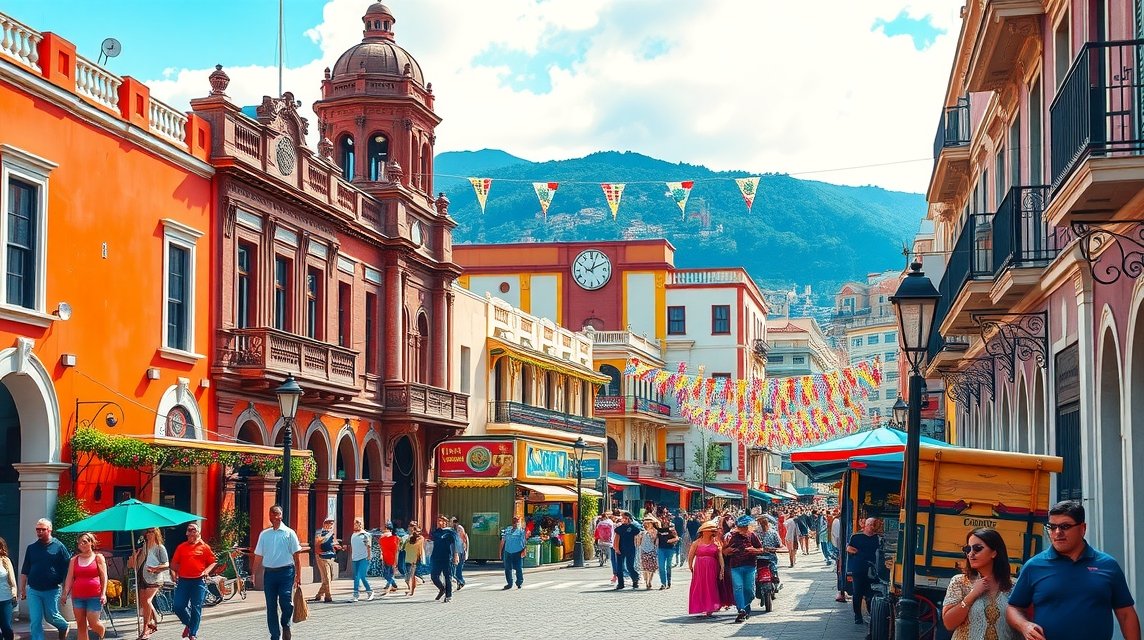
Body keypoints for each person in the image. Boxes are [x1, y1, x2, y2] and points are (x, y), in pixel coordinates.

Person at [1007, 500, 1140, 640]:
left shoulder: (1108, 565)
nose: (1057, 532)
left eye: (1065, 526)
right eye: (1052, 527)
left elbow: (1125, 614)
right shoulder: (1034, 566)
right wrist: (1024, 626)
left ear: (1083, 528)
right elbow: (1013, 608)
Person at [941, 527, 1017, 640]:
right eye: (967, 549)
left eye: (977, 548)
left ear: (994, 553)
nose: (971, 554)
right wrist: (972, 595)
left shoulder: (1013, 586)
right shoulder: (960, 582)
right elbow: (949, 623)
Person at [252, 505, 302, 640]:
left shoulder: (289, 533)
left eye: (277, 514)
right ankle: (275, 635)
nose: (275, 517)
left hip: (286, 572)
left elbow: (297, 556)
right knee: (271, 605)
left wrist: (298, 575)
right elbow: (258, 555)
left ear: (281, 515)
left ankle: (285, 623)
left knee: (286, 600)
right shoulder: (264, 534)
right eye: (272, 514)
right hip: (270, 574)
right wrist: (253, 573)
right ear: (269, 516)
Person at [18, 518, 70, 640]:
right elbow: (25, 569)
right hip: (34, 590)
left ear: (49, 530)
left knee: (51, 616)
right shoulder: (31, 548)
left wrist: (65, 590)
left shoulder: (59, 546)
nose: (40, 532)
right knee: (35, 620)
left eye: (43, 529)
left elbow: (68, 568)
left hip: (52, 589)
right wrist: (23, 589)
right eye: (37, 529)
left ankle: (63, 626)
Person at [169, 521, 217, 640]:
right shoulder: (181, 547)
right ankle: (189, 625)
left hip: (198, 581)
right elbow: (174, 564)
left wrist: (206, 571)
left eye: (193, 530)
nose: (190, 532)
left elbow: (213, 562)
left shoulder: (204, 547)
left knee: (196, 607)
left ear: (198, 532)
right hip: (184, 581)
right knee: (178, 606)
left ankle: (192, 634)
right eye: (188, 530)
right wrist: (173, 573)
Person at [60, 532, 107, 640]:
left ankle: (101, 633)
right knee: (81, 625)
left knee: (93, 622)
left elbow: (104, 577)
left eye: (85, 542)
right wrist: (65, 593)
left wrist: (103, 594)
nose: (81, 544)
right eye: (79, 543)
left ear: (91, 543)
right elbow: (69, 578)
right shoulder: (74, 560)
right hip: (78, 596)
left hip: (94, 596)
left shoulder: (98, 558)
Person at [129, 527, 170, 639]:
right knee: (144, 605)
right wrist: (135, 556)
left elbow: (166, 564)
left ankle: (147, 628)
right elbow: (133, 564)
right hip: (142, 577)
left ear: (157, 533)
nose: (149, 534)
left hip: (155, 579)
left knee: (147, 601)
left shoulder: (159, 548)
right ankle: (149, 625)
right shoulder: (143, 547)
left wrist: (156, 568)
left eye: (152, 531)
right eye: (148, 532)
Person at [722, 514, 764, 623]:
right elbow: (724, 551)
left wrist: (753, 550)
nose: (743, 529)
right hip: (735, 566)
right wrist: (729, 551)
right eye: (741, 527)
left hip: (750, 566)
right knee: (738, 588)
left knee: (749, 590)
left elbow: (760, 549)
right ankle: (741, 609)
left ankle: (745, 607)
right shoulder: (732, 536)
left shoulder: (752, 536)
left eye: (745, 527)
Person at [846, 517, 881, 625]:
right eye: (869, 524)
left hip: (872, 569)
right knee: (857, 592)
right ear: (865, 525)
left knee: (870, 592)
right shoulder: (856, 537)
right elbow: (848, 548)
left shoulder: (878, 538)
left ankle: (871, 614)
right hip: (859, 568)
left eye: (873, 524)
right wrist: (855, 551)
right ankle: (858, 616)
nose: (871, 526)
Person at [687, 520, 724, 617]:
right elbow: (691, 555)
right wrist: (690, 565)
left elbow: (720, 557)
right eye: (710, 531)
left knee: (711, 586)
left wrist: (722, 569)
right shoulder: (696, 543)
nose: (712, 532)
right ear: (704, 532)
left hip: (712, 567)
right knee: (699, 586)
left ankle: (710, 607)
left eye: (713, 531)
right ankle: (700, 606)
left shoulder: (716, 543)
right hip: (700, 567)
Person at [429, 515, 459, 603]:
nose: (439, 523)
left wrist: (455, 555)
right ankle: (442, 589)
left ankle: (448, 595)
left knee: (447, 577)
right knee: (434, 576)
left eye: (441, 521)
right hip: (436, 557)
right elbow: (431, 540)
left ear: (445, 522)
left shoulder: (450, 532)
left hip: (447, 557)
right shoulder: (436, 532)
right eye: (438, 521)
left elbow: (455, 544)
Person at [346, 517, 374, 602]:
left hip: (364, 558)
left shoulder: (365, 535)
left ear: (361, 524)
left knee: (361, 576)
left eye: (358, 523)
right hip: (355, 558)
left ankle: (367, 592)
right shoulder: (353, 535)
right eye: (355, 523)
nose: (356, 525)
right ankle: (358, 594)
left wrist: (368, 556)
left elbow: (369, 546)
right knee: (356, 577)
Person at [312, 516, 338, 603]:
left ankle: (319, 595)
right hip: (321, 556)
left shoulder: (331, 533)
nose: (330, 525)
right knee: (326, 576)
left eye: (331, 523)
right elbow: (318, 542)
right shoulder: (319, 532)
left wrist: (337, 546)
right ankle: (328, 596)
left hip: (330, 556)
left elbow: (333, 543)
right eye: (328, 523)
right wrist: (327, 536)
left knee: (329, 577)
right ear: (324, 523)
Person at [613, 512, 641, 590]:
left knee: (630, 566)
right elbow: (616, 538)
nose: (624, 519)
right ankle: (620, 583)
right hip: (620, 549)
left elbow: (638, 533)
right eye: (622, 518)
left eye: (625, 518)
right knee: (619, 567)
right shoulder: (619, 528)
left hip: (630, 549)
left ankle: (635, 579)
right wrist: (616, 548)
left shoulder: (633, 528)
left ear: (629, 518)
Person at [499, 515, 526, 590]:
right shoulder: (507, 530)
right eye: (514, 522)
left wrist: (524, 551)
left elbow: (524, 542)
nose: (515, 523)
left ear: (519, 522)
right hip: (508, 552)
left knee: (518, 568)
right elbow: (503, 541)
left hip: (517, 552)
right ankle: (509, 583)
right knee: (507, 568)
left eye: (517, 522)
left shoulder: (521, 531)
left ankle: (519, 582)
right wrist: (500, 552)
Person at [402, 522, 425, 596]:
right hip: (408, 559)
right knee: (407, 578)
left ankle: (411, 591)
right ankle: (411, 588)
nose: (416, 532)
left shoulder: (420, 538)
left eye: (418, 531)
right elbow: (403, 548)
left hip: (415, 560)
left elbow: (418, 545)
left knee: (412, 576)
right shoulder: (408, 538)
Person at [637, 515, 659, 590]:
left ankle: (650, 581)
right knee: (645, 567)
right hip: (643, 551)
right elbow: (638, 543)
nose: (647, 525)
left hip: (652, 550)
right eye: (646, 523)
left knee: (651, 568)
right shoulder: (642, 532)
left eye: (648, 523)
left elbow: (655, 541)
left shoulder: (655, 531)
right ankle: (647, 581)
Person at [378, 523, 400, 594]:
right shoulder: (394, 538)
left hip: (389, 557)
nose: (382, 529)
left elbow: (395, 549)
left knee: (386, 573)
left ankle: (391, 584)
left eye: (384, 528)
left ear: (387, 529)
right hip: (388, 556)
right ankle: (392, 583)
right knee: (388, 573)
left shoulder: (390, 537)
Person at [0, 537, 15, 640]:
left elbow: (13, 581)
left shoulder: (6, 561)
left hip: (5, 599)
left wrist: (14, 594)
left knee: (7, 628)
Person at [451, 517, 469, 591]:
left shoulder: (459, 528)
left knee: (458, 569)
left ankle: (461, 581)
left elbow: (464, 538)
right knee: (453, 569)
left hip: (460, 551)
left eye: (454, 521)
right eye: (452, 521)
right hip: (453, 551)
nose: (453, 523)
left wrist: (465, 551)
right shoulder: (450, 530)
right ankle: (460, 582)